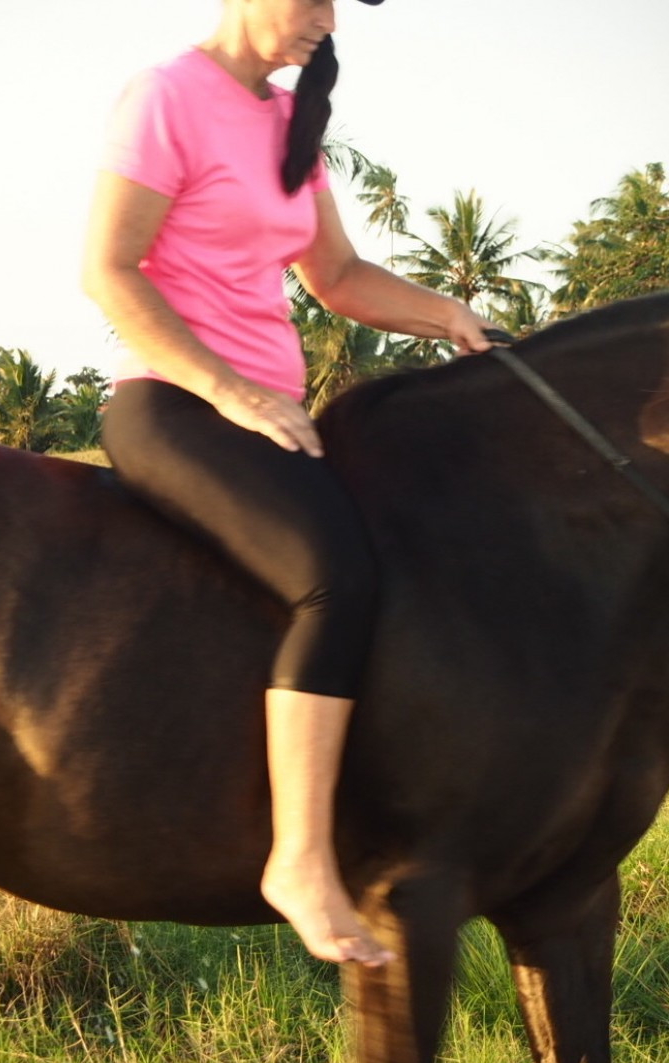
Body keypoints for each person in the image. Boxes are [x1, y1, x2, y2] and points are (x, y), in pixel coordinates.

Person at [82, 0, 496, 967]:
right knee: (332, 577)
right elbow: (109, 271)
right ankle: (299, 861)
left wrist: (450, 317)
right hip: (176, 405)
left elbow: (338, 276)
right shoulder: (163, 98)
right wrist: (228, 391)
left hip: (270, 412)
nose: (328, 16)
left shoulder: (284, 121)